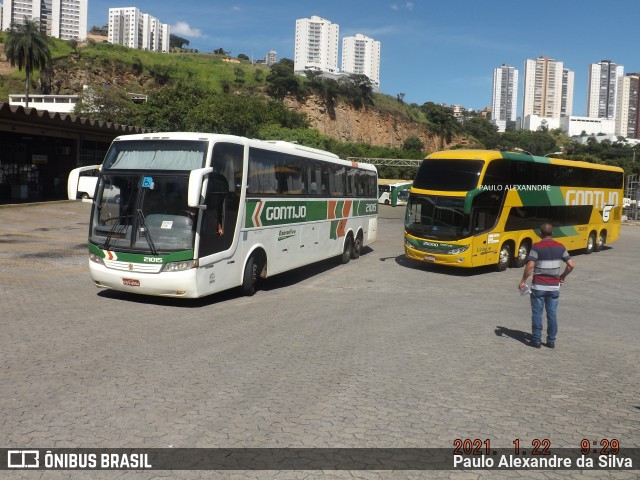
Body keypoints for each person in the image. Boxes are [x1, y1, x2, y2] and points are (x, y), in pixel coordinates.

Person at [519, 223, 575, 349]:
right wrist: (563, 276)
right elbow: (571, 265)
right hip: (554, 287)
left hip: (538, 287)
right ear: (552, 233)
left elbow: (530, 266)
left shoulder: (536, 247)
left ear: (540, 233)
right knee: (552, 314)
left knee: (537, 314)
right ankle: (551, 341)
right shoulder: (560, 247)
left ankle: (536, 341)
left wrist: (523, 280)